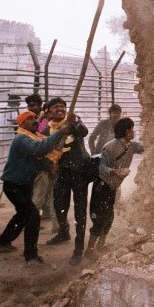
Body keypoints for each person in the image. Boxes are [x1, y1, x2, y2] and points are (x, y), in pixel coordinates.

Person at [0, 110, 74, 265]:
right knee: (32, 216)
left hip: (24, 184)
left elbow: (39, 158)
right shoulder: (22, 139)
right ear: (22, 124)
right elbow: (40, 149)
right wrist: (59, 133)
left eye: (35, 118)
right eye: (30, 119)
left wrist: (49, 167)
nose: (35, 121)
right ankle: (30, 255)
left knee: (22, 215)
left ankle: (2, 242)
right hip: (14, 185)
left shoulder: (34, 137)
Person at [43, 98, 96, 266]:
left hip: (79, 171)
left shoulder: (74, 121)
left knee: (80, 210)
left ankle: (78, 249)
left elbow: (84, 132)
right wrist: (50, 166)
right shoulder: (47, 130)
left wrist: (74, 123)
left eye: (62, 106)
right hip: (62, 172)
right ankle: (63, 232)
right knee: (59, 205)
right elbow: (44, 150)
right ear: (49, 112)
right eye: (55, 107)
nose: (59, 108)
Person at [85, 117, 144, 261]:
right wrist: (114, 171)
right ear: (127, 131)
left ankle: (101, 244)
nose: (134, 131)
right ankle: (89, 250)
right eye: (132, 129)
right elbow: (102, 167)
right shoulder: (110, 146)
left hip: (112, 187)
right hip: (102, 185)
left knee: (109, 216)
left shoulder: (132, 146)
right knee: (99, 218)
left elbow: (146, 148)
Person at [25, 94, 58, 233]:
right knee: (40, 195)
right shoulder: (32, 120)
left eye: (34, 105)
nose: (32, 108)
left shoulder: (44, 121)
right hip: (39, 162)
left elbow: (44, 141)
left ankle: (55, 226)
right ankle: (30, 223)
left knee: (46, 196)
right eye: (30, 105)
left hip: (47, 162)